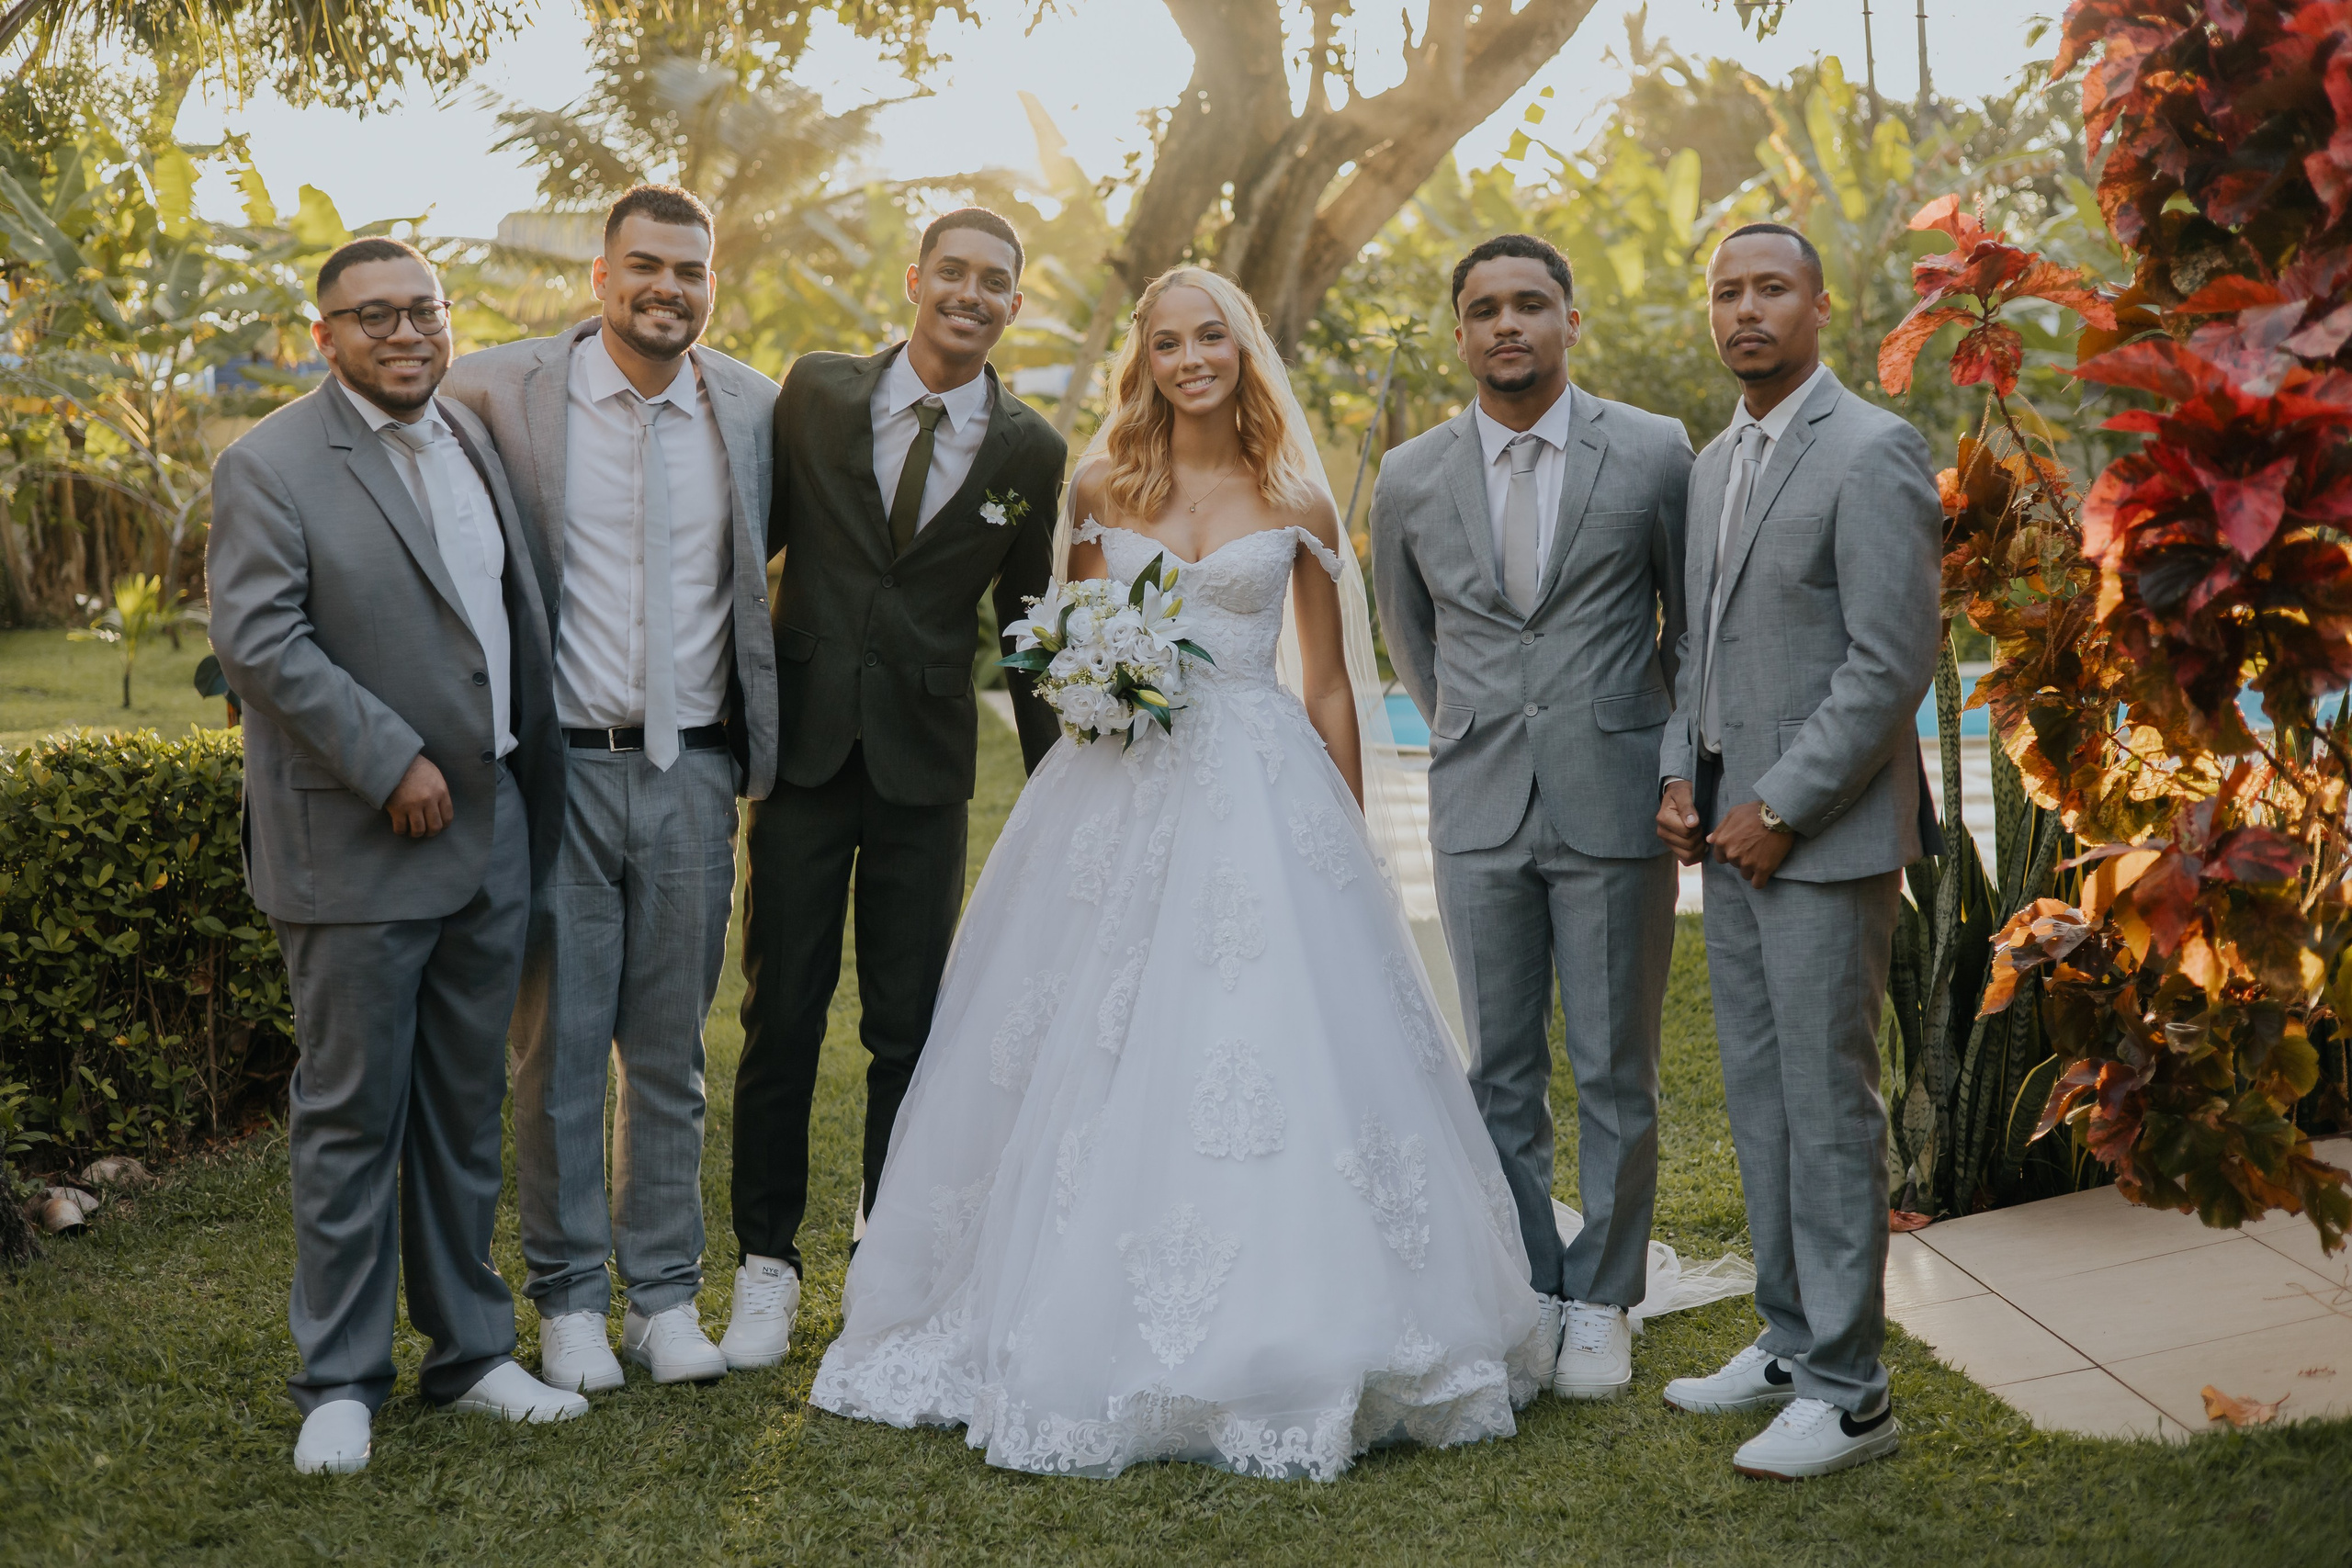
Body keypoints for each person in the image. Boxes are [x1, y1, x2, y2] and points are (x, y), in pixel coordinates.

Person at [808, 265, 1545, 1481]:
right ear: (1142, 359)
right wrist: (1092, 683)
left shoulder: (1298, 494)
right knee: (1083, 1029)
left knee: (1263, 1033)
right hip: (1120, 785)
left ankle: (1302, 1308)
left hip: (1262, 781)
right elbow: (1078, 639)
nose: (1192, 357)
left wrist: (1342, 829)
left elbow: (1322, 680)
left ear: (1244, 347)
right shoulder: (1102, 484)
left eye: (1212, 336)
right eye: (1168, 341)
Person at [207, 237, 583, 1475]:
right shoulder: (268, 462)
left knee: (462, 1106)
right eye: (374, 316)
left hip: (495, 834)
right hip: (360, 838)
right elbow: (261, 639)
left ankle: (471, 1350)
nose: (406, 331)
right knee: (353, 1113)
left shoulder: (472, 437)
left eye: (423, 308)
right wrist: (389, 755)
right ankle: (340, 1379)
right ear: (325, 337)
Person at [439, 185, 780, 1390]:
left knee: (673, 1049)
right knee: (560, 1048)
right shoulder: (497, 391)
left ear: (711, 283)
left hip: (696, 768)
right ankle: (571, 1298)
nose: (669, 287)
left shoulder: (753, 407)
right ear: (599, 274)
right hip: (560, 770)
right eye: (645, 264)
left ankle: (666, 1296)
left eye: (692, 269)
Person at [729, 209, 1064, 1362]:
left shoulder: (1031, 450)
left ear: (1015, 305)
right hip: (804, 754)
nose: (971, 294)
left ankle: (889, 1260)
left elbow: (1024, 627)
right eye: (954, 273)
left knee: (910, 1030)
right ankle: (764, 1263)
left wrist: (1062, 774)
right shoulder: (816, 394)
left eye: (997, 282)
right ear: (915, 279)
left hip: (927, 767)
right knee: (781, 1014)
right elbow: (749, 550)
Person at [1370, 233, 1691, 1400]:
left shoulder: (1654, 452)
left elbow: (1684, 627)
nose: (1506, 325)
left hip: (1613, 800)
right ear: (1459, 332)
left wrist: (1663, 759)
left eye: (1529, 304)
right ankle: (1530, 1284)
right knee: (1497, 1070)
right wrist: (1473, 728)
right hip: (1475, 802)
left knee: (1614, 1065)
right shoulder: (1408, 475)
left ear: (1568, 319)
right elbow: (1410, 640)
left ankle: (1602, 1296)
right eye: (1483, 309)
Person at [1655, 222, 1941, 1479]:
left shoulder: (1874, 451)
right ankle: (1788, 1338)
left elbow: (1890, 663)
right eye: (1727, 292)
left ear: (1822, 305)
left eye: (1772, 288)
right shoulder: (1714, 462)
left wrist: (1777, 804)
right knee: (1764, 1101)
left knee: (1828, 1113)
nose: (1746, 310)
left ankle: (1852, 1390)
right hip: (1727, 836)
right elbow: (1695, 645)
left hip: (1815, 840)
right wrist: (1682, 768)